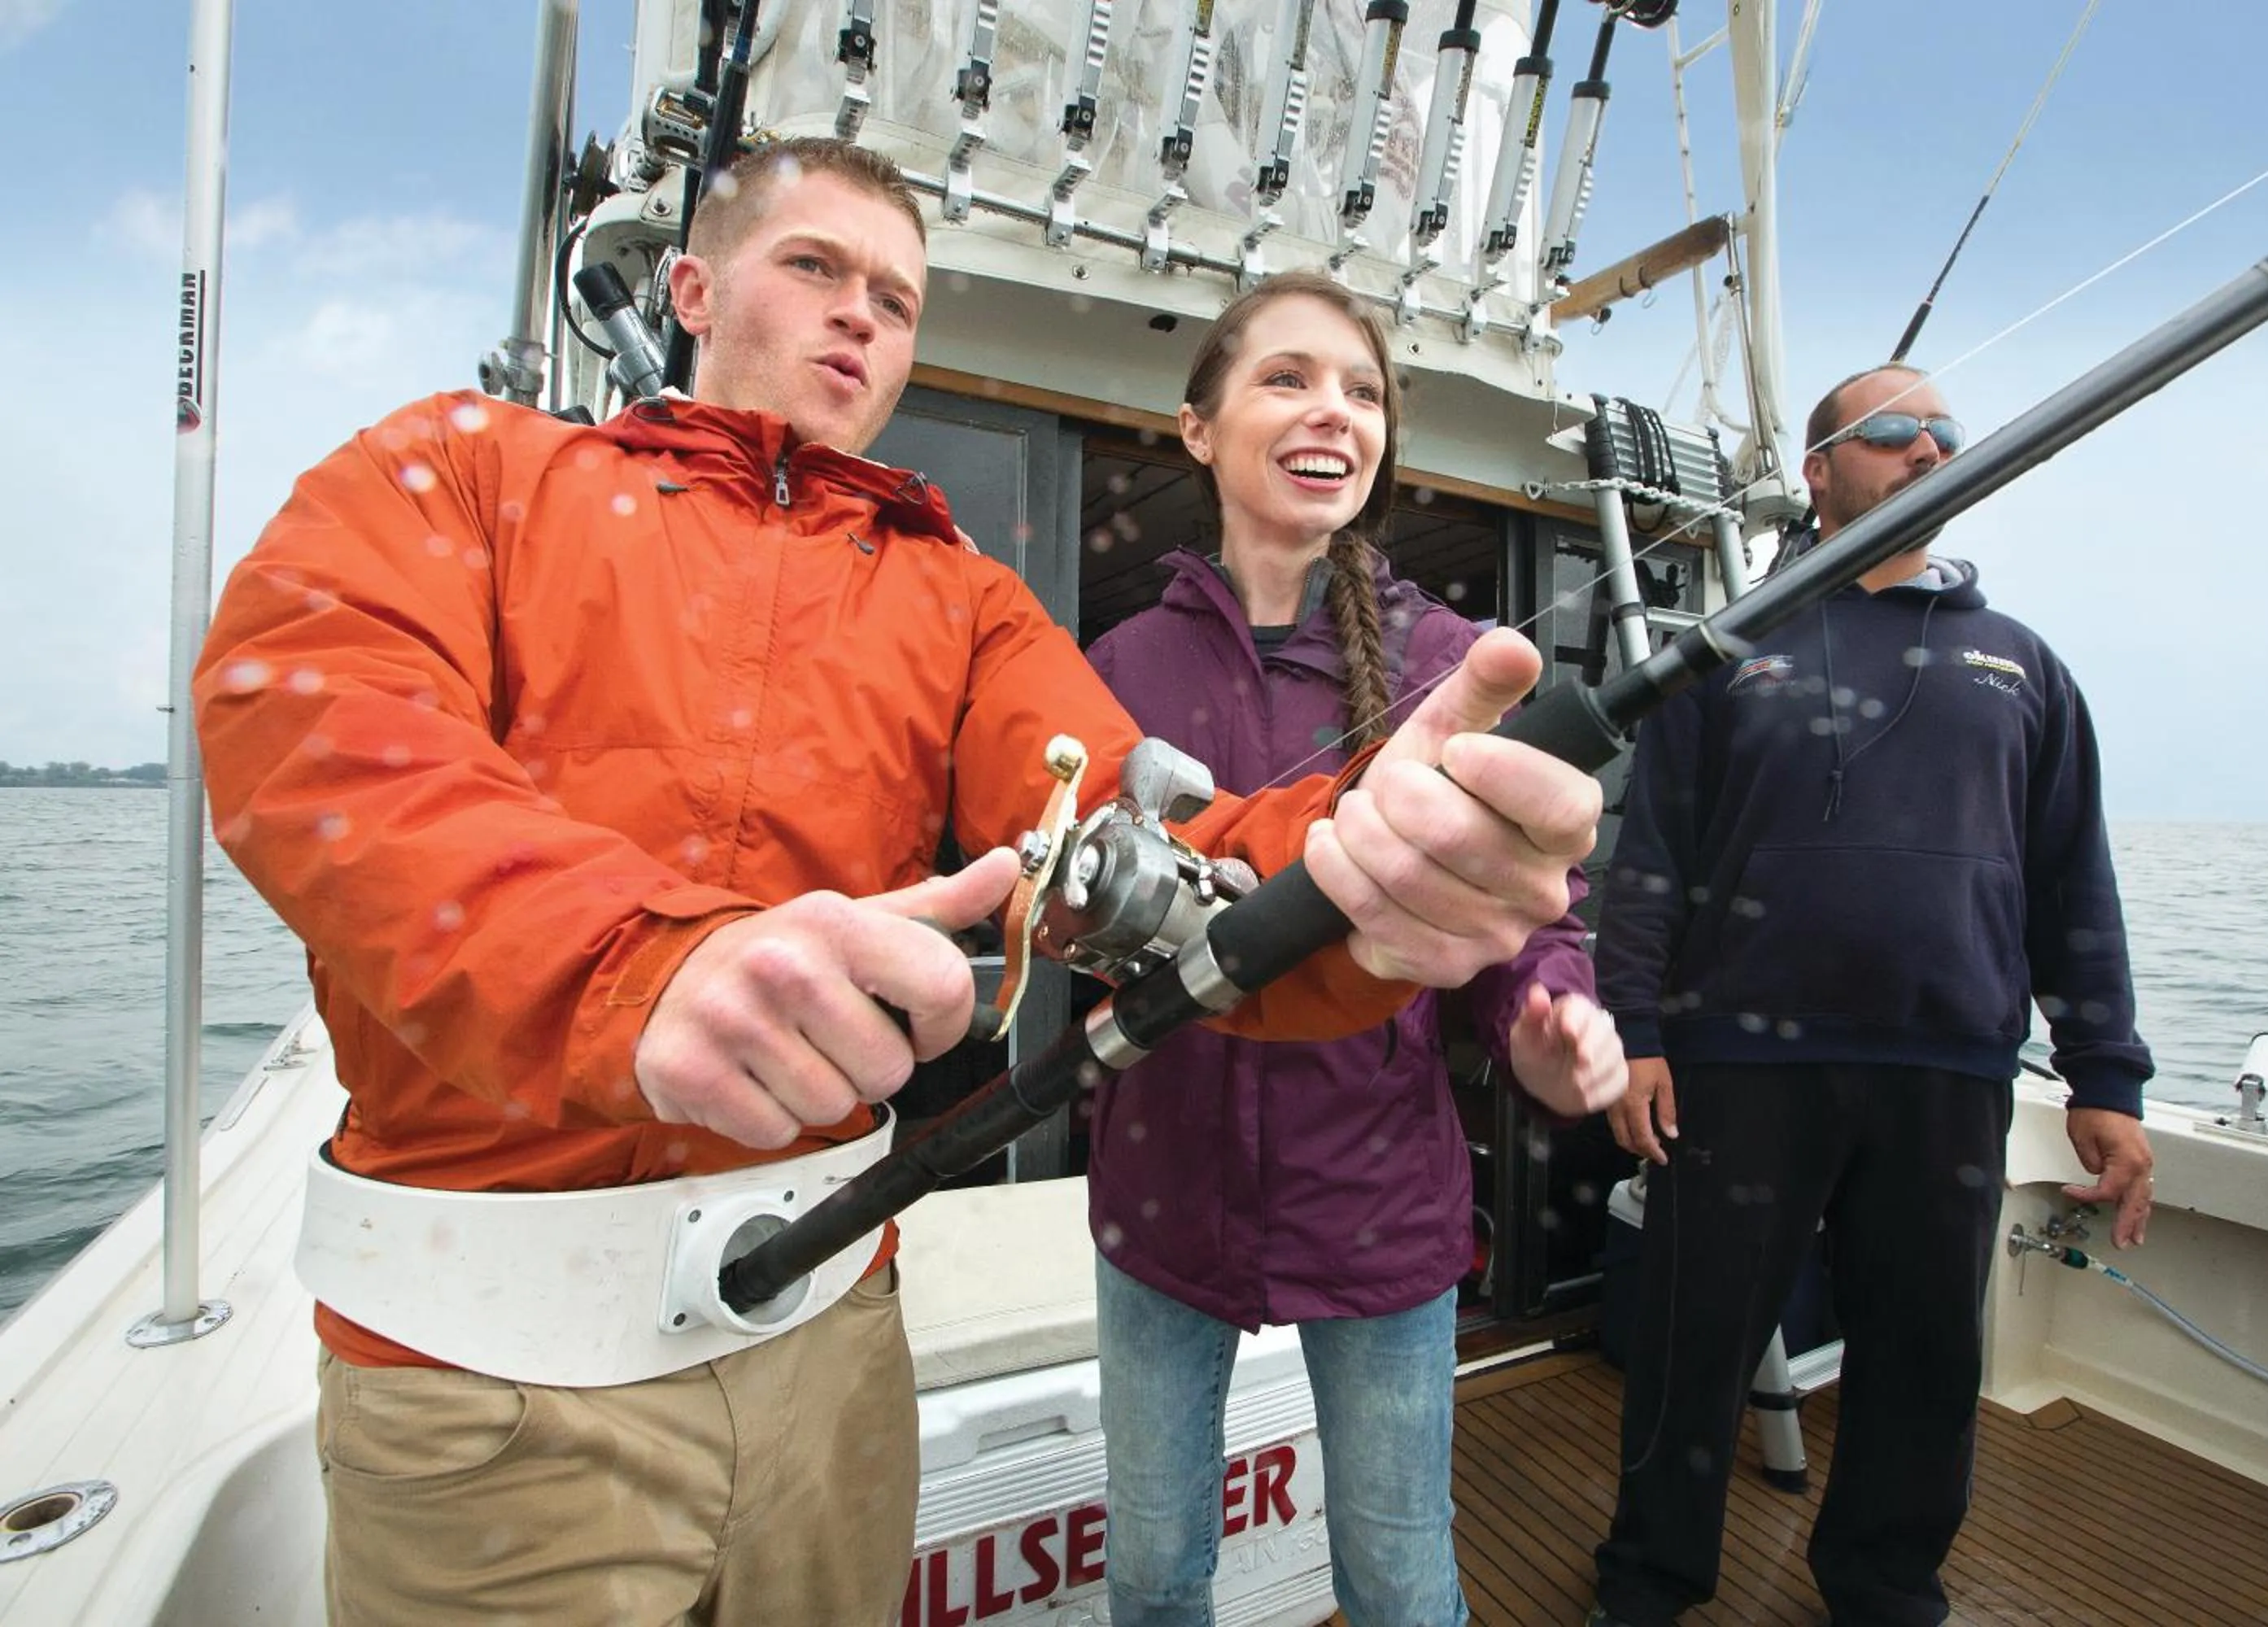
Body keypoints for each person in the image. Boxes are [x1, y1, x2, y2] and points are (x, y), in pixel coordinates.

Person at [192, 137, 1604, 1627]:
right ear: (691, 286)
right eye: (815, 269)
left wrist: (1354, 884)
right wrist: (632, 966)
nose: (860, 314)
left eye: (897, 297)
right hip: (486, 1385)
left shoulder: (963, 597)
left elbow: (1131, 850)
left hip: (833, 1361)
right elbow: (317, 712)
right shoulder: (469, 473)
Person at [1081, 271, 1632, 1627]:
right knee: (1153, 1576)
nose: (1335, 411)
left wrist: (1551, 1012)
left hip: (1381, 1200)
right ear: (1198, 428)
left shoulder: (1449, 665)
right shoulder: (1117, 663)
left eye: (1364, 390)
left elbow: (1520, 918)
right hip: (1161, 1196)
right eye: (1288, 378)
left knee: (1396, 1578)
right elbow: (1065, 897)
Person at [1585, 364, 2158, 1627]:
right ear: (1820, 470)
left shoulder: (2027, 669)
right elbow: (1653, 861)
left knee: (1924, 1358)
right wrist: (1632, 1032)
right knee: (1693, 1352)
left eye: (1947, 432)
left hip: (1948, 1072)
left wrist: (2107, 1080)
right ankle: (1647, 1581)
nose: (1928, 447)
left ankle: (1886, 1586)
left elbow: (2075, 886)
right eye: (1894, 429)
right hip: (1735, 1062)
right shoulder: (1728, 651)